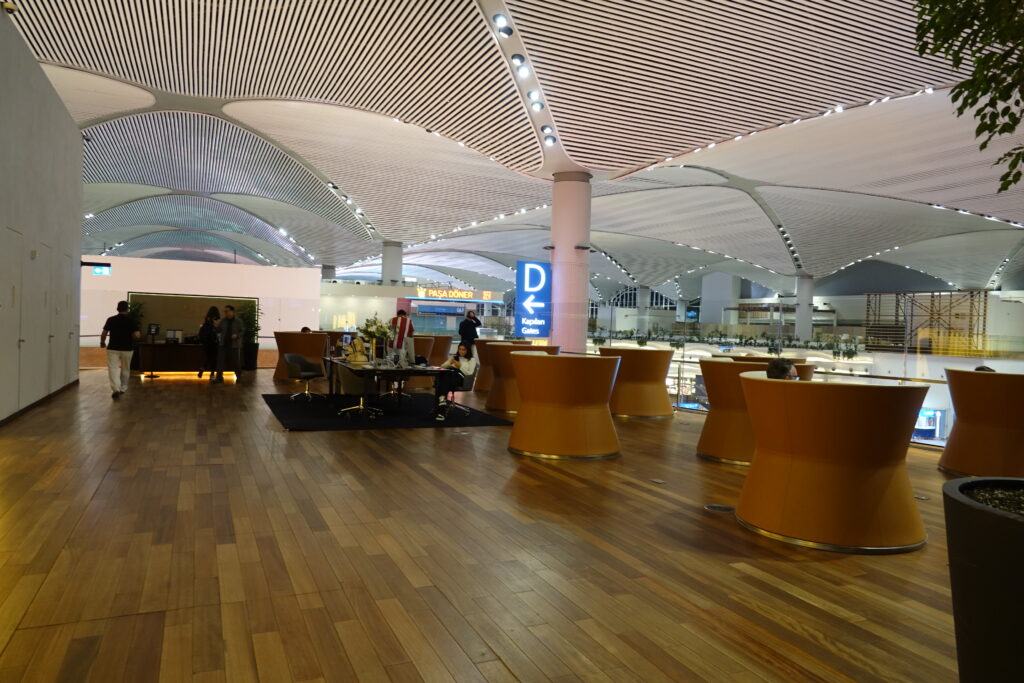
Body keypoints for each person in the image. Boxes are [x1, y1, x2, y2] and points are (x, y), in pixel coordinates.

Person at [100, 300, 141, 398]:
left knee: (113, 368)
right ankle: (123, 388)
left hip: (113, 348)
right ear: (127, 309)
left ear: (117, 309)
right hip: (127, 348)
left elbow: (104, 333)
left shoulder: (111, 319)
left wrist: (102, 342)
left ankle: (116, 389)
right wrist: (134, 336)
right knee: (125, 369)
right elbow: (137, 335)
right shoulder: (131, 320)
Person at [434, 343, 478, 421]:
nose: (461, 351)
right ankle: (441, 408)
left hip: (460, 378)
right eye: (460, 349)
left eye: (463, 349)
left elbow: (469, 373)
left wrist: (459, 366)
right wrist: (450, 362)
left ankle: (441, 405)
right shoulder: (454, 357)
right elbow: (442, 367)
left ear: (468, 350)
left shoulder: (471, 359)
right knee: (445, 375)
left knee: (442, 383)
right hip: (449, 375)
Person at [214, 304, 245, 383]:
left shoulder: (238, 321)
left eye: (227, 311)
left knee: (236, 362)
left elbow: (242, 331)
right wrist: (216, 326)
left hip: (234, 345)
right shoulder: (223, 320)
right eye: (225, 312)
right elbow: (217, 331)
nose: (226, 313)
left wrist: (237, 335)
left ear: (232, 311)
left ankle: (239, 377)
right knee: (220, 361)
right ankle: (219, 378)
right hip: (223, 344)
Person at [198, 306, 220, 380]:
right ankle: (212, 374)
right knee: (214, 359)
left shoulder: (207, 318)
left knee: (208, 357)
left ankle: (202, 368)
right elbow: (217, 329)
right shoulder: (216, 318)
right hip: (214, 341)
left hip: (206, 342)